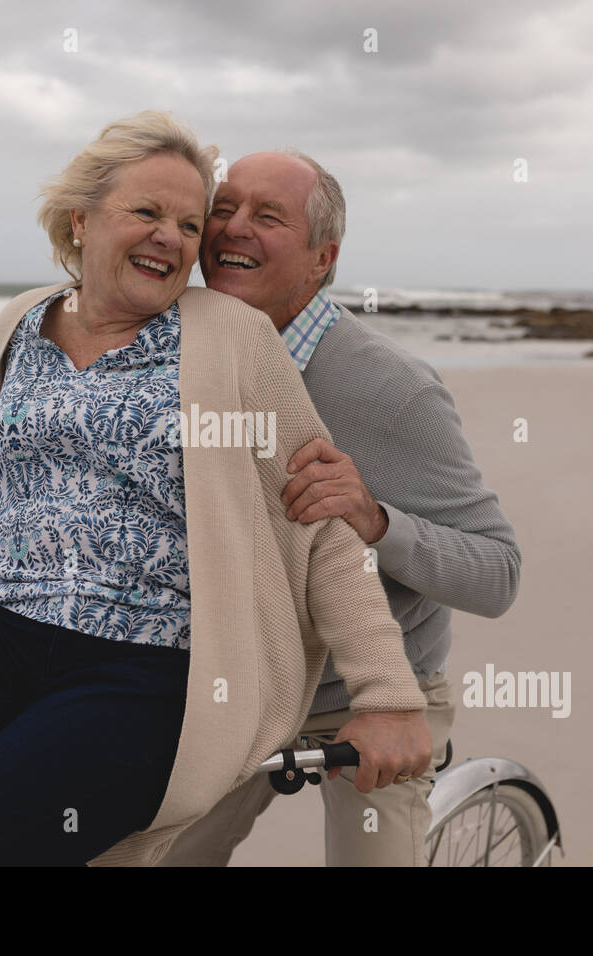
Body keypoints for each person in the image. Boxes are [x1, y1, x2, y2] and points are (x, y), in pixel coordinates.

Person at [0, 112, 431, 867]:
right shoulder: (22, 321)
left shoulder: (227, 336)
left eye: (190, 225)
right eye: (148, 212)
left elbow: (318, 522)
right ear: (81, 221)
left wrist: (387, 696)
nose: (173, 237)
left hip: (151, 679)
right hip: (5, 637)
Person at [159, 149, 522, 866]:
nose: (233, 229)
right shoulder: (180, 351)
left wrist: (376, 519)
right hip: (240, 686)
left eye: (267, 217)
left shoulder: (395, 392)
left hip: (371, 697)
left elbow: (498, 573)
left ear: (322, 258)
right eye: (224, 209)